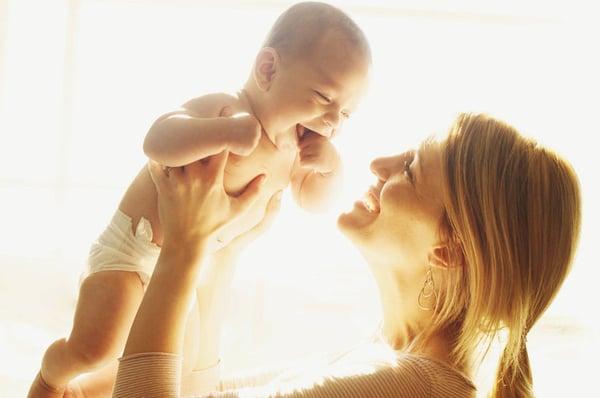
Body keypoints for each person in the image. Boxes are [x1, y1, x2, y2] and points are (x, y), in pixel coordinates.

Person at [28, 2, 371, 397]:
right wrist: (224, 133)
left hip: (186, 271)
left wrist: (331, 170)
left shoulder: (298, 148)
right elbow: (156, 140)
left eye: (346, 113)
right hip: (134, 251)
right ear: (268, 70)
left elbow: (314, 203)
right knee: (97, 344)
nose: (333, 120)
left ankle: (89, 392)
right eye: (323, 97)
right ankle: (54, 374)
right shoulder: (227, 108)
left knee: (180, 360)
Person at [111, 113, 582, 397]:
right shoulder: (390, 360)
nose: (379, 165)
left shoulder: (409, 388)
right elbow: (199, 393)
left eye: (411, 171)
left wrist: (183, 249)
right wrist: (225, 254)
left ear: (449, 249)